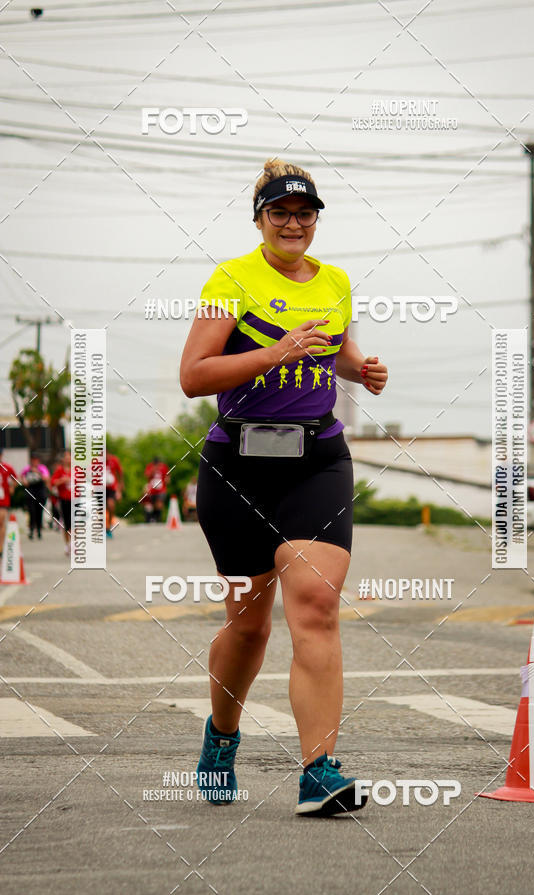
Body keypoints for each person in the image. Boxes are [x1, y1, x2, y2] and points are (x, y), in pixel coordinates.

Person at [180, 158, 388, 816]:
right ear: (260, 219)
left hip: (316, 462)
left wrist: (362, 369)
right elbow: (194, 375)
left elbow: (334, 350)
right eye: (280, 213)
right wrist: (273, 353)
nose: (293, 224)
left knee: (316, 606)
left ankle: (317, 773)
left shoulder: (336, 281)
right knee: (248, 628)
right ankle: (221, 737)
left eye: (305, 214)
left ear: (316, 220)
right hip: (237, 468)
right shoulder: (229, 279)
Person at [21, 453, 50, 540]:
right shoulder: (27, 469)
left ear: (38, 460)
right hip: (31, 491)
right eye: (33, 460)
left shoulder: (42, 468)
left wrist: (37, 472)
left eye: (36, 460)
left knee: (39, 511)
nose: (34, 461)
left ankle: (39, 529)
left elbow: (47, 478)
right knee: (31, 511)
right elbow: (22, 477)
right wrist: (24, 481)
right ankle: (31, 529)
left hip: (40, 491)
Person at [51, 451, 72, 556]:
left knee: (75, 523)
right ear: (63, 460)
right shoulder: (59, 470)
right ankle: (68, 544)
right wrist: (62, 480)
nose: (68, 459)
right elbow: (53, 483)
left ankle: (74, 544)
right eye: (66, 458)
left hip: (75, 499)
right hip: (64, 500)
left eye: (70, 457)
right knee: (66, 524)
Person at [0, 449, 18, 555]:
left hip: (3, 500)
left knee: (1, 522)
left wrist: (12, 487)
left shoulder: (7, 467)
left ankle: (1, 547)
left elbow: (15, 479)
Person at [143, 457, 169, 523]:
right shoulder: (150, 466)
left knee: (159, 504)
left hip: (161, 489)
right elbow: (146, 475)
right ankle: (150, 518)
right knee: (150, 504)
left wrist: (166, 480)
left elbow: (167, 477)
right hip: (151, 489)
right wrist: (153, 470)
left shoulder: (164, 467)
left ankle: (158, 519)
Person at [105, 452, 124, 537]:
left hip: (111, 488)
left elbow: (120, 472)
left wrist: (120, 487)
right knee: (100, 510)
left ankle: (108, 527)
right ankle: (103, 526)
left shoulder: (114, 460)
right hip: (100, 488)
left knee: (111, 505)